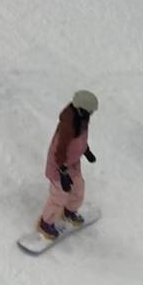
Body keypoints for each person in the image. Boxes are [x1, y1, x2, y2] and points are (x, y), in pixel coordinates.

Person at [38, 90, 99, 240]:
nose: (91, 114)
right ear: (81, 109)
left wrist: (86, 150)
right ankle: (46, 223)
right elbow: (59, 151)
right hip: (59, 165)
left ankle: (69, 212)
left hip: (73, 162)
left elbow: (81, 140)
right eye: (89, 111)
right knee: (59, 196)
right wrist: (63, 172)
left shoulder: (82, 120)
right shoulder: (68, 126)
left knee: (78, 188)